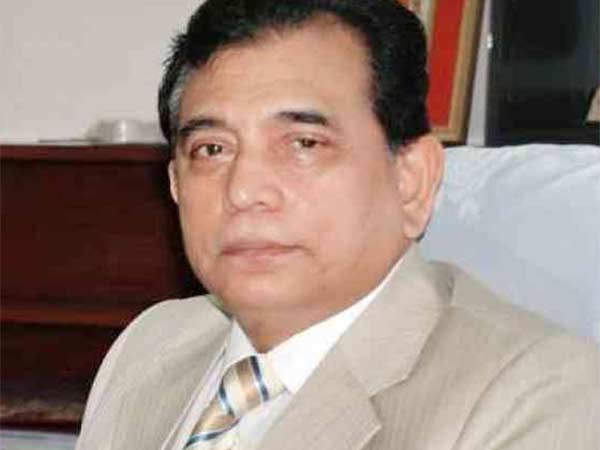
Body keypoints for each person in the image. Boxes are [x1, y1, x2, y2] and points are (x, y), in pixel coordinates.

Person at [76, 1, 600, 449]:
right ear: (175, 185)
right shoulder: (151, 344)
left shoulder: (539, 392)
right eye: (212, 149)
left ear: (412, 180)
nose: (244, 190)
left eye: (304, 144)